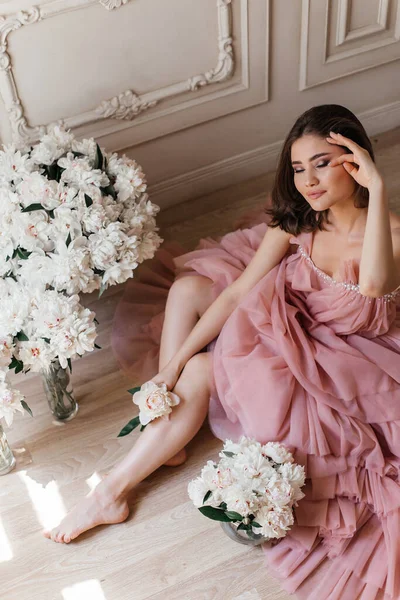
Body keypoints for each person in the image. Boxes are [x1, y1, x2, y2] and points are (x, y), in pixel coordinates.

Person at [44, 104, 400, 600]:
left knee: (205, 368)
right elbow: (236, 294)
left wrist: (379, 187)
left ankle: (112, 490)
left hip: (343, 361)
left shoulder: (392, 234)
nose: (309, 181)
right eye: (298, 168)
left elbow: (376, 285)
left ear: (355, 159)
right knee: (189, 305)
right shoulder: (300, 219)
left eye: (323, 162)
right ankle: (159, 434)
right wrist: (165, 372)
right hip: (286, 319)